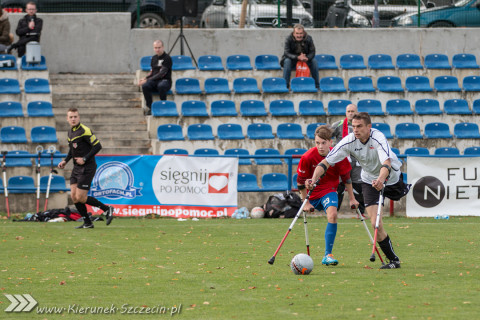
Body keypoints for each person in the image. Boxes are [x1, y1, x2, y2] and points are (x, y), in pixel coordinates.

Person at [307, 112, 410, 269]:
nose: (355, 130)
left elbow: (387, 162)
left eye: (359, 126)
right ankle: (393, 261)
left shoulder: (378, 138)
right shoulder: (349, 141)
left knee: (398, 193)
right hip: (368, 180)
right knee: (376, 222)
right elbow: (326, 162)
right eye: (353, 126)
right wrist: (313, 180)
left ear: (369, 127)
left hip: (390, 177)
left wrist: (381, 181)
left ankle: (409, 187)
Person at [297, 125, 358, 266]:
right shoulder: (307, 157)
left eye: (323, 143)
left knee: (333, 215)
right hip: (311, 194)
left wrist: (352, 199)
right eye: (317, 143)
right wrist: (305, 202)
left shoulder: (339, 156)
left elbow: (346, 178)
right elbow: (300, 182)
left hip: (329, 190)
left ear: (331, 142)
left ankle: (328, 255)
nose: (320, 146)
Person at [58, 108, 114, 229]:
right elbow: (71, 150)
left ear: (79, 117)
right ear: (67, 119)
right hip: (76, 167)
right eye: (71, 117)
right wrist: (65, 161)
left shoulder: (85, 130)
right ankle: (88, 223)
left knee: (81, 197)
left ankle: (106, 209)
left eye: (75, 117)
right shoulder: (70, 132)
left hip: (87, 167)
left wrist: (84, 158)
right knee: (74, 196)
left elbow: (98, 146)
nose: (73, 119)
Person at [331, 104, 365, 215]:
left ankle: (361, 213)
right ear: (346, 112)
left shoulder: (362, 125)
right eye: (348, 111)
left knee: (358, 187)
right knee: (339, 188)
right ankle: (334, 212)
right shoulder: (338, 124)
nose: (350, 113)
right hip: (341, 162)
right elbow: (325, 135)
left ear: (357, 113)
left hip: (357, 161)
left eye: (353, 111)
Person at [138, 40, 172, 115]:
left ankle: (163, 106)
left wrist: (148, 79)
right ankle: (150, 107)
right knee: (145, 86)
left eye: (159, 47)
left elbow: (162, 73)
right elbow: (152, 72)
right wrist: (145, 78)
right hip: (154, 81)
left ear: (163, 47)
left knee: (161, 86)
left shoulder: (167, 58)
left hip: (165, 80)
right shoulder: (154, 58)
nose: (157, 49)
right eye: (155, 48)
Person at [280, 24, 319, 89]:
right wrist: (297, 57)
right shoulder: (288, 38)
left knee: (314, 61)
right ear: (293, 33)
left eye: (301, 33)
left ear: (303, 33)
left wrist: (307, 58)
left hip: (305, 60)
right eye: (297, 33)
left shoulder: (309, 38)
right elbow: (286, 53)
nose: (299, 35)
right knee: (287, 61)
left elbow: (312, 52)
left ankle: (316, 85)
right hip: (293, 60)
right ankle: (286, 85)